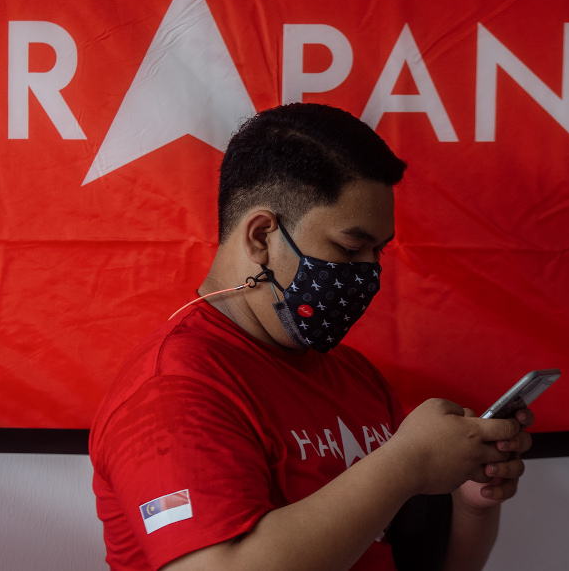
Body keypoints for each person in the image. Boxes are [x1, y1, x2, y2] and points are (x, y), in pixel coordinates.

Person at [89, 103, 533, 571]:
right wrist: (407, 463)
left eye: (378, 252)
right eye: (350, 248)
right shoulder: (172, 389)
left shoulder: (357, 378)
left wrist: (471, 502)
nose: (370, 273)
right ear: (261, 237)